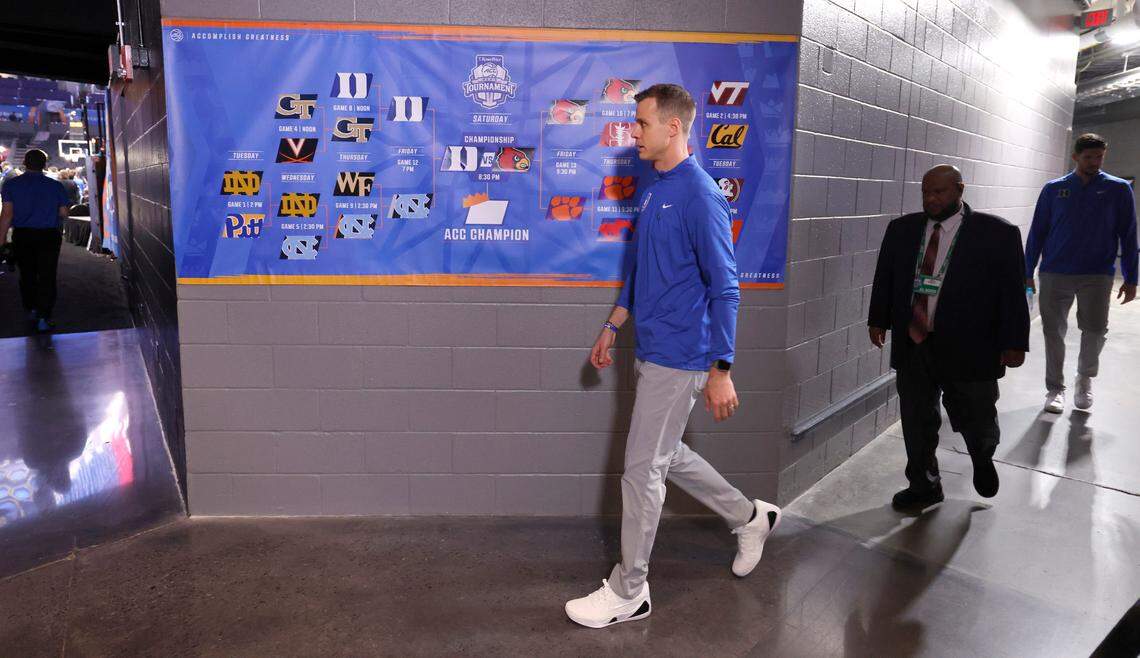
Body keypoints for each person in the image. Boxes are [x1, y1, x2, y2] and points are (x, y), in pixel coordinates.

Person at [564, 84, 781, 629]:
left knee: (642, 470)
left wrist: (722, 367)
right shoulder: (658, 188)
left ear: (673, 128)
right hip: (651, 349)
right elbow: (642, 270)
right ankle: (750, 517)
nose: (633, 132)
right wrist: (614, 324)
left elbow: (725, 286)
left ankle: (629, 590)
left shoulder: (700, 193)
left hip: (682, 357)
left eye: (641, 123)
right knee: (666, 455)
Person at [868, 165, 1029, 511]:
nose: (931, 198)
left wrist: (1015, 341)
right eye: (926, 192)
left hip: (972, 344)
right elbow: (886, 277)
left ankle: (982, 457)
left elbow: (1012, 292)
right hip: (915, 341)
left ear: (959, 189)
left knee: (976, 413)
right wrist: (878, 319)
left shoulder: (997, 234)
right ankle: (924, 485)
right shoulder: (902, 229)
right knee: (916, 418)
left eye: (939, 192)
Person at [1025, 134, 1138, 414]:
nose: (1094, 162)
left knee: (1096, 330)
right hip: (1055, 271)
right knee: (1053, 331)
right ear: (1075, 157)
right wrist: (1028, 271)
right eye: (1088, 157)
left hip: (1097, 274)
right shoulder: (1054, 189)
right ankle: (1055, 388)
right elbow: (1037, 231)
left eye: (1099, 157)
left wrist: (1132, 277)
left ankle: (1084, 379)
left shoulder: (1119, 189)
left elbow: (1129, 233)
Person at [0, 149, 71, 332]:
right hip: (49, 236)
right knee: (47, 275)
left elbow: (6, 215)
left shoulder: (11, 185)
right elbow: (64, 213)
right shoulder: (55, 186)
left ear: (24, 163)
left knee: (27, 274)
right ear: (44, 165)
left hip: (23, 236)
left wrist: (1, 241)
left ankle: (31, 309)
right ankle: (44, 316)